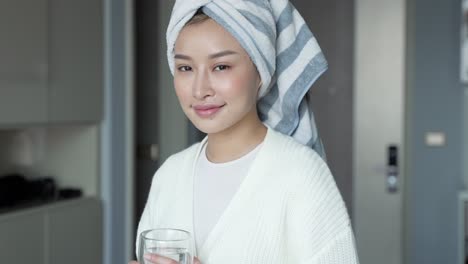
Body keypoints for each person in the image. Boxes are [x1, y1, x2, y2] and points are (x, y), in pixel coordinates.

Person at [130, 0, 359, 263]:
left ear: (260, 72)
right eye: (186, 68)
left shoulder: (301, 174)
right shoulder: (169, 176)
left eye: (221, 66)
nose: (199, 89)